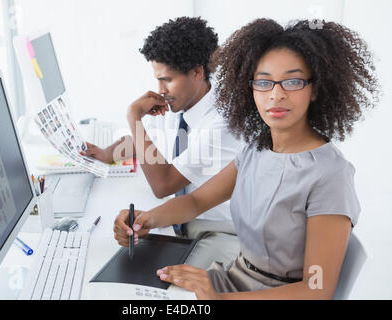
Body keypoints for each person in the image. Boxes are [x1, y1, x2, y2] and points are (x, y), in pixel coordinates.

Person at [113, 18, 380, 299]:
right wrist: (145, 221)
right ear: (249, 88)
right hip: (234, 279)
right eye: (263, 82)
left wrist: (220, 299)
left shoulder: (330, 175)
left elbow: (317, 290)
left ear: (315, 88)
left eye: (292, 81)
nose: (276, 95)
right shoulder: (257, 149)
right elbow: (196, 201)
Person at [82, 17, 242, 268]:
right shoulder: (181, 103)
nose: (160, 89)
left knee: (156, 281)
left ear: (197, 72)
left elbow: (163, 185)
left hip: (219, 231)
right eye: (157, 79)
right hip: (184, 218)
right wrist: (106, 153)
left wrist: (133, 116)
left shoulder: (220, 123)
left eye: (167, 79)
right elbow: (146, 141)